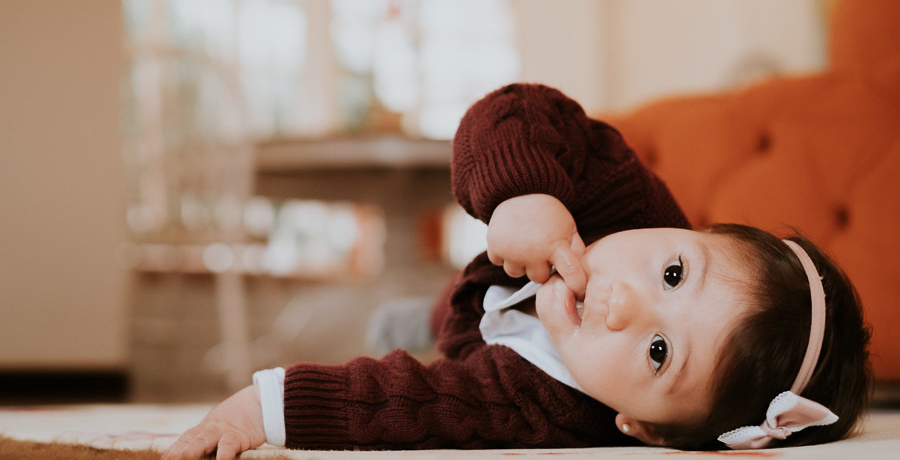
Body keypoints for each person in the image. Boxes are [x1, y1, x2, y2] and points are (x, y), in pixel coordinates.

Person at [163, 83, 871, 459]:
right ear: (692, 231)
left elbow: (396, 406)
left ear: (645, 430)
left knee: (434, 338)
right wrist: (527, 191)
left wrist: (260, 409)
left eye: (659, 354)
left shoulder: (539, 411)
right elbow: (523, 111)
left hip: (473, 343)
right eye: (676, 274)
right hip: (485, 284)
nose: (623, 303)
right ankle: (422, 310)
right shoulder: (626, 203)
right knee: (443, 303)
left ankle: (421, 319)